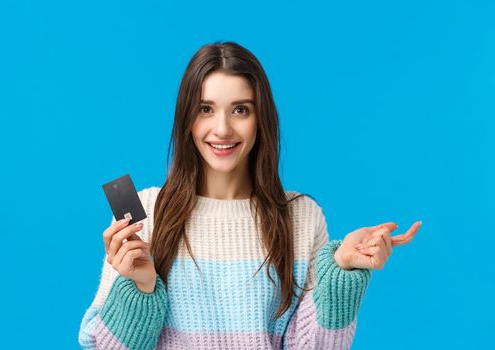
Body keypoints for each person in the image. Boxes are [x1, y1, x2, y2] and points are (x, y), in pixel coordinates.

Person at [78, 41, 422, 350]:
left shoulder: (300, 216)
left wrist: (342, 272)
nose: (223, 128)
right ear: (187, 118)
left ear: (261, 119)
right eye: (205, 109)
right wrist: (139, 289)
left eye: (240, 109)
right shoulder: (144, 211)